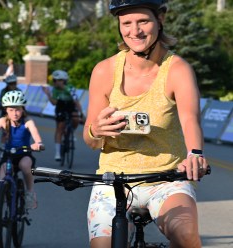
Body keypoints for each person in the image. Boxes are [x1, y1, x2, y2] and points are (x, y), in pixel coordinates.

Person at [83, 1, 208, 247]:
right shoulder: (104, 71)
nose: (135, 31)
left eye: (143, 21)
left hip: (166, 179)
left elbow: (190, 118)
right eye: (126, 23)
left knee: (186, 237)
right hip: (114, 180)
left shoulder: (177, 70)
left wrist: (195, 154)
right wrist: (95, 130)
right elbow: (89, 139)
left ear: (160, 20)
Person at [0, 90, 44, 236]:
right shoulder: (3, 121)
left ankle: (30, 192)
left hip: (23, 153)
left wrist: (38, 144)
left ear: (23, 108)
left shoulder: (28, 122)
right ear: (6, 110)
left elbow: (36, 135)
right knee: (1, 182)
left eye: (18, 109)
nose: (15, 113)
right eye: (11, 110)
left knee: (26, 166)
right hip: (7, 155)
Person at [42, 70, 83, 161]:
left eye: (55, 80)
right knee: (60, 128)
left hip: (70, 106)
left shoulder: (70, 88)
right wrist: (48, 94)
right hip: (60, 107)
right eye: (54, 80)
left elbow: (76, 101)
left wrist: (81, 113)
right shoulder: (55, 90)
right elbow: (54, 103)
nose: (54, 82)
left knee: (75, 119)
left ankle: (70, 131)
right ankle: (57, 153)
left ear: (62, 80)